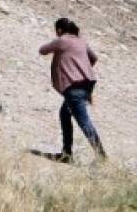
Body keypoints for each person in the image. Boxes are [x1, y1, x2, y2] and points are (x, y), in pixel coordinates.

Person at [38, 17, 105, 163]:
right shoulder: (81, 41)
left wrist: (71, 68)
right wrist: (81, 68)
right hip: (87, 85)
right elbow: (93, 58)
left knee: (84, 121)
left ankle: (101, 156)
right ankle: (66, 153)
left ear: (60, 30)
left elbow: (42, 50)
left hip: (74, 88)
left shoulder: (62, 40)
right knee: (64, 114)